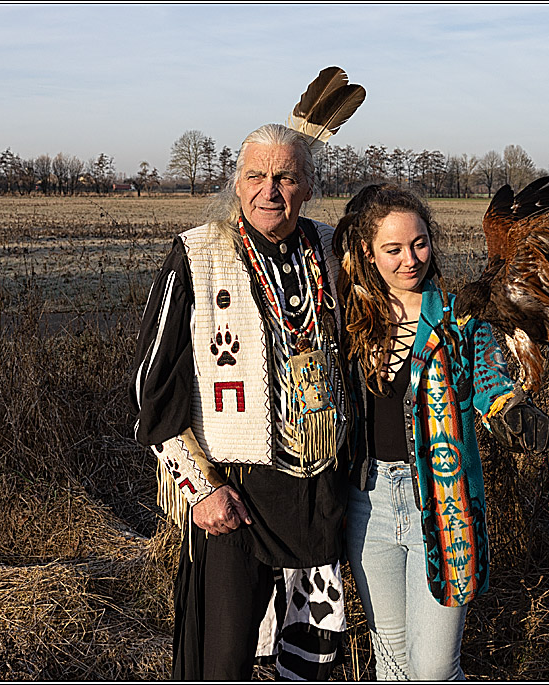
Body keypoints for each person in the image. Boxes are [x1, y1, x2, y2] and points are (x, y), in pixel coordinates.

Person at [130, 123, 350, 680]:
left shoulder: (334, 251)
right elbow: (153, 390)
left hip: (316, 496)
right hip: (234, 496)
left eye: (286, 177)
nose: (269, 190)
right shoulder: (198, 255)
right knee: (222, 661)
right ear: (237, 182)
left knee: (309, 660)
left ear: (308, 186)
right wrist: (199, 489)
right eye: (256, 175)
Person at [332, 183, 549, 680]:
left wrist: (511, 411)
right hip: (367, 504)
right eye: (393, 249)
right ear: (368, 253)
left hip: (443, 503)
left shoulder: (461, 319)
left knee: (433, 669)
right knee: (391, 662)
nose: (409, 260)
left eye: (419, 243)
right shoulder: (350, 322)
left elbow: (490, 379)